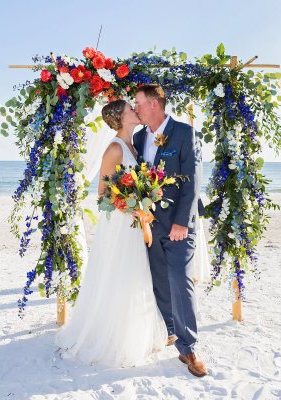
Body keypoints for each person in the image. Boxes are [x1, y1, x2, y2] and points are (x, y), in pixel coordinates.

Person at [55, 100, 166, 367]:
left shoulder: (133, 145)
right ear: (120, 117)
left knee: (135, 273)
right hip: (120, 223)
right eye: (130, 109)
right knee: (120, 273)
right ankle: (115, 338)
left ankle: (135, 332)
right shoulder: (115, 148)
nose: (135, 111)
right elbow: (103, 194)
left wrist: (143, 199)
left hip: (134, 220)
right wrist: (131, 207)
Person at [133, 84, 208, 377]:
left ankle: (188, 347)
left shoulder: (185, 133)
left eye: (138, 103)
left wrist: (181, 222)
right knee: (160, 282)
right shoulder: (139, 137)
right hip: (150, 224)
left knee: (180, 280)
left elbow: (192, 181)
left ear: (154, 104)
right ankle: (171, 329)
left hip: (179, 224)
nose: (135, 108)